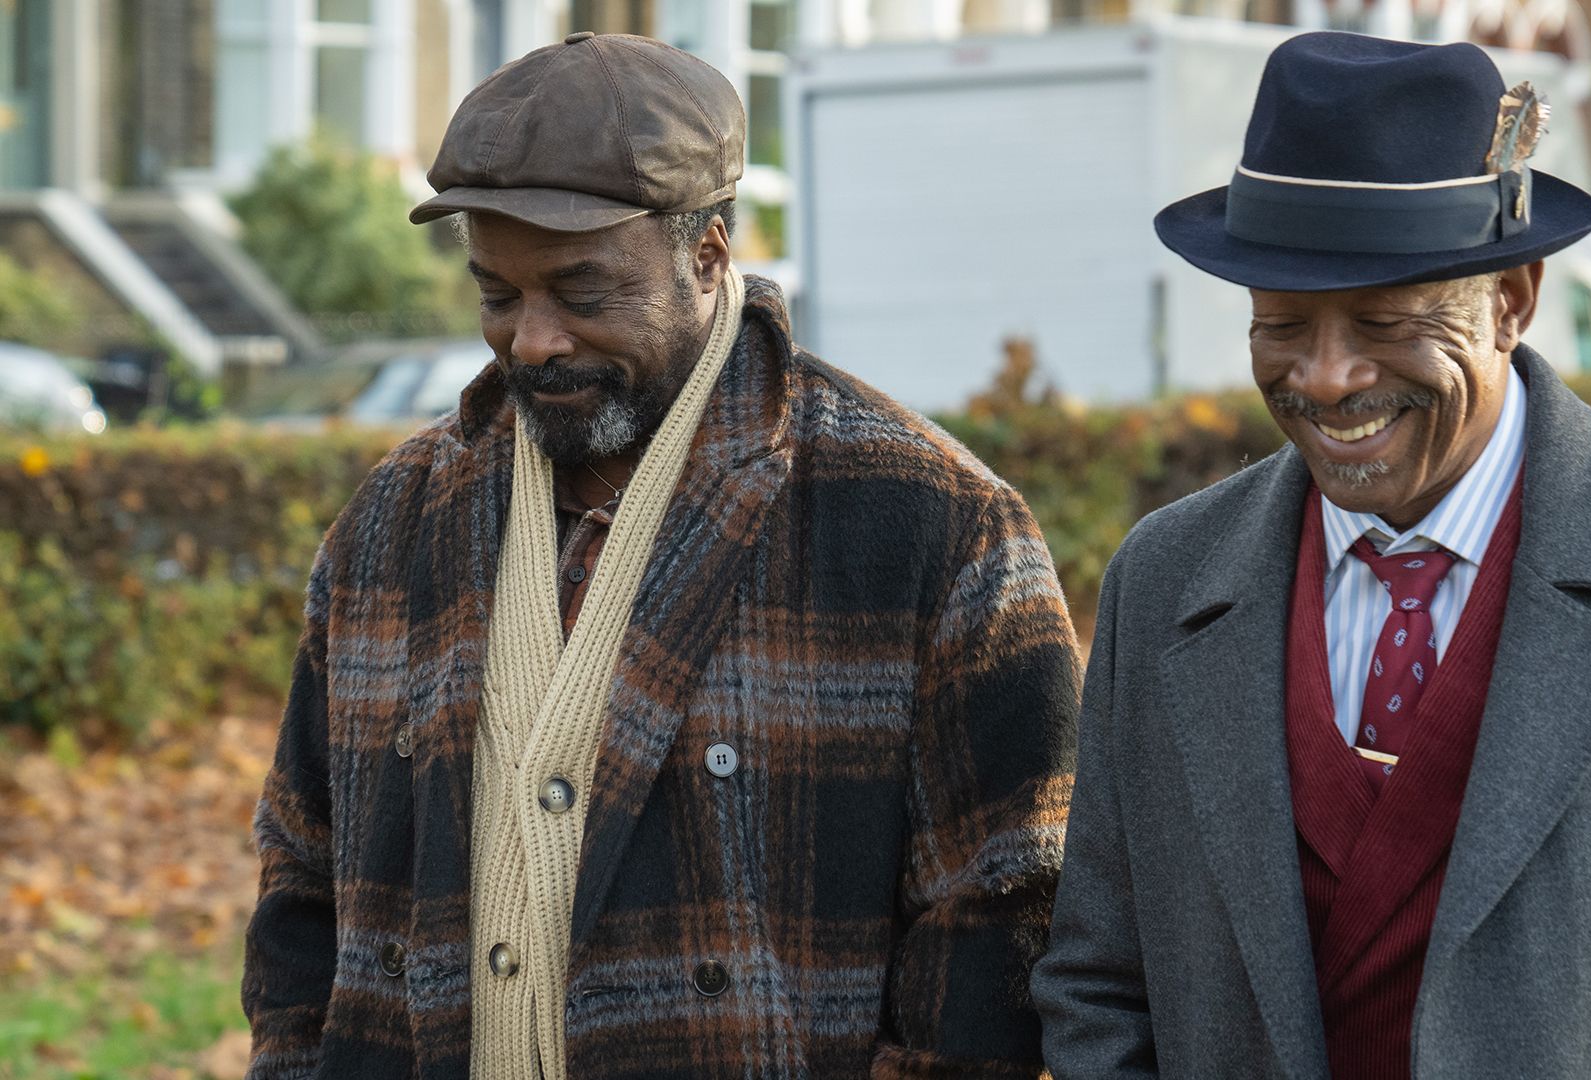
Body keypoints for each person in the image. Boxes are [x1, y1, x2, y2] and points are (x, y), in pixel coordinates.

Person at [1032, 31, 1591, 1079]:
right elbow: (1099, 984)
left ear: (1513, 301)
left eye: (1382, 321)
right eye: (1281, 324)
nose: (1323, 377)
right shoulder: (1164, 579)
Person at [242, 33, 1080, 1080]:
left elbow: (1003, 922)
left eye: (582, 293)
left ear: (710, 257)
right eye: (497, 294)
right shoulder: (390, 525)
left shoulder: (932, 526)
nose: (533, 338)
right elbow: (300, 878)